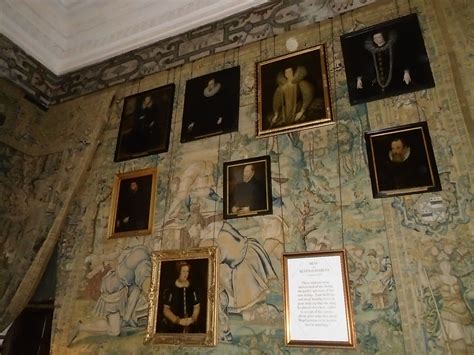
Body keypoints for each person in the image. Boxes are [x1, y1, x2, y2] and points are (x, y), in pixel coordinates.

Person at [68, 245, 151, 346]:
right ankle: (81, 327)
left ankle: (83, 326)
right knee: (115, 331)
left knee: (121, 324)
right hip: (114, 292)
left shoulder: (139, 253)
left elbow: (138, 288)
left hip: (118, 288)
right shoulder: (142, 261)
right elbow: (143, 287)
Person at [162, 261, 201, 333]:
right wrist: (178, 320)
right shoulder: (171, 289)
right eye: (183, 271)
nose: (186, 274)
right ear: (178, 272)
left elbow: (197, 306)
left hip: (190, 326)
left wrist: (192, 318)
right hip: (174, 327)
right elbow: (166, 310)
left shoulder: (192, 288)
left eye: (187, 271)